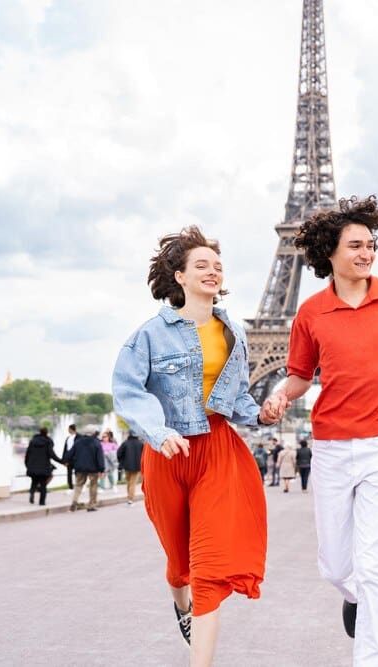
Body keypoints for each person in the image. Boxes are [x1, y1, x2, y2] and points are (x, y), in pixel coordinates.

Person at [262, 195, 378, 666]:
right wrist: (281, 395)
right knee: (337, 567)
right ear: (331, 252)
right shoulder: (310, 312)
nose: (366, 253)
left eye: (371, 245)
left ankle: (373, 659)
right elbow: (302, 375)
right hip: (330, 447)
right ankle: (354, 595)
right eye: (355, 245)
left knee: (372, 565)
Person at [111, 226, 281, 667]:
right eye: (201, 265)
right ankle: (180, 603)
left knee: (208, 567)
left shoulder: (235, 335)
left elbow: (237, 396)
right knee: (178, 560)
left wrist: (260, 413)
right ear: (180, 277)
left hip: (217, 453)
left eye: (217, 267)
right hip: (168, 453)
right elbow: (128, 391)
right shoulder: (150, 335)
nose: (212, 271)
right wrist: (158, 431)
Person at [65, 425, 105, 512]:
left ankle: (74, 502)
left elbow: (69, 454)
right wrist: (101, 469)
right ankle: (91, 505)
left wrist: (68, 461)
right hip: (93, 468)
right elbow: (100, 457)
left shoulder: (78, 442)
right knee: (93, 486)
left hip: (80, 467)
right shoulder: (96, 443)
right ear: (94, 432)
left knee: (78, 485)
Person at [24, 426, 62, 505]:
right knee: (43, 484)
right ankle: (42, 502)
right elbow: (52, 455)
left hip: (33, 466)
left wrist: (27, 465)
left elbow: (27, 454)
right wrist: (62, 461)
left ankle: (32, 493)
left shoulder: (32, 441)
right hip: (43, 467)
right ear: (46, 433)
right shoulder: (48, 442)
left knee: (34, 481)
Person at [116, 431, 145, 505]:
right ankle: (130, 499)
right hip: (137, 466)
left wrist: (122, 461)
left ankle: (129, 497)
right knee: (133, 483)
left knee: (129, 482)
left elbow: (119, 453)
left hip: (127, 466)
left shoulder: (125, 443)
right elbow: (144, 455)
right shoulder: (141, 444)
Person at [61, 423, 77, 489]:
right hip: (69, 459)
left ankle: (79, 485)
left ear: (71, 429)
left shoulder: (79, 437)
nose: (68, 430)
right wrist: (64, 460)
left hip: (76, 458)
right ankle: (70, 487)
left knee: (78, 473)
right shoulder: (68, 438)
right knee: (69, 473)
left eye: (68, 429)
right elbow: (65, 449)